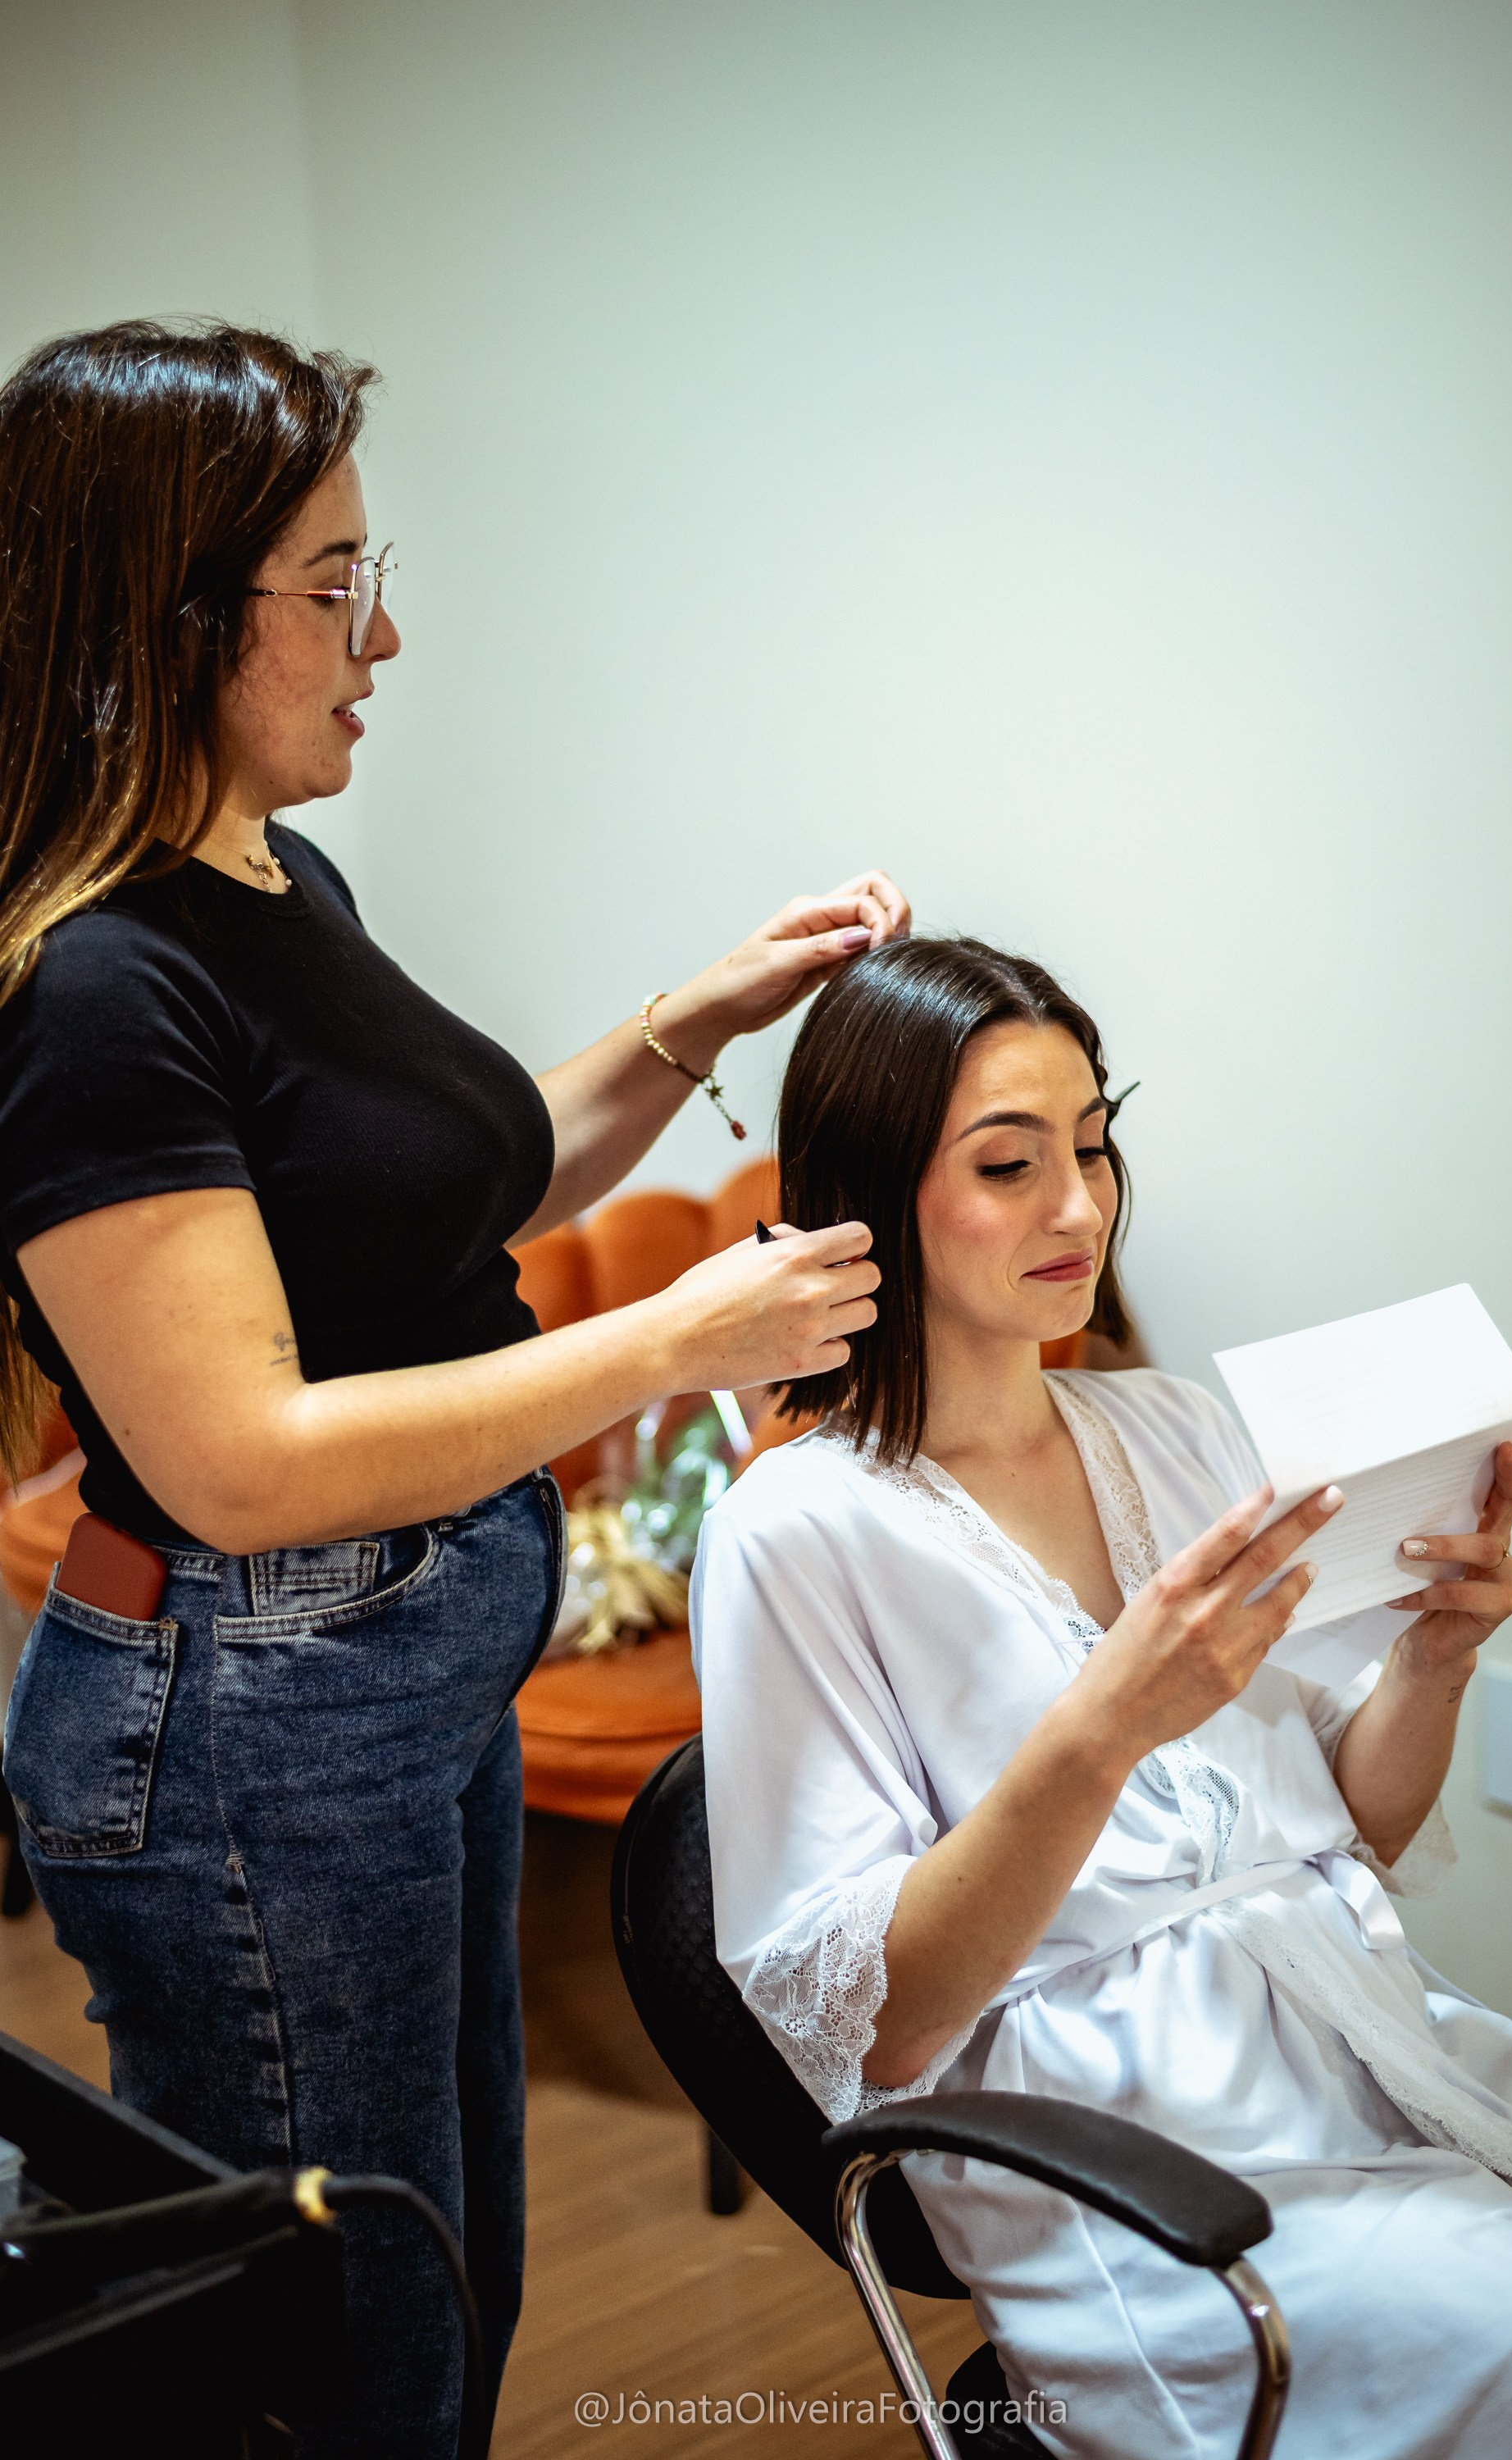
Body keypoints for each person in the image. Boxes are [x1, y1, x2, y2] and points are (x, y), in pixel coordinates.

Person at [0, 320, 900, 2460]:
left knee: (440, 2256)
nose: (381, 632)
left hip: (395, 1673)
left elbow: (432, 1202)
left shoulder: (270, 875)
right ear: (168, 618)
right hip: (249, 1722)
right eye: (330, 588)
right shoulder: (95, 987)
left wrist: (692, 1022)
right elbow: (238, 1463)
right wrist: (688, 1334)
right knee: (340, 2339)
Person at [693, 935, 1512, 2460]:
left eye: (1093, 1142)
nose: (1080, 1204)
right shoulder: (794, 1535)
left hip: (1384, 2059)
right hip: (1142, 2172)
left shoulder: (1178, 1430)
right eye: (1009, 1166)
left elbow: (1355, 1835)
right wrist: (1104, 1726)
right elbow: (877, 2026)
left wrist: (1435, 1659)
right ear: (872, 1194)